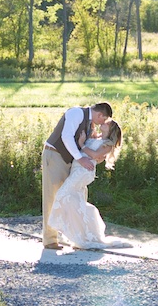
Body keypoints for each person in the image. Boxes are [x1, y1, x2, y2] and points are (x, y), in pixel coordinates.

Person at [41, 101, 112, 249]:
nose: (101, 123)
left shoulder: (90, 123)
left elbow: (85, 146)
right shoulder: (76, 113)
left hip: (72, 162)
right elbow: (66, 136)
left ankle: (76, 236)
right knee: (53, 195)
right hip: (55, 155)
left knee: (75, 196)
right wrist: (80, 158)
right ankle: (50, 239)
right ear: (100, 115)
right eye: (103, 120)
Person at [47, 119, 127, 250]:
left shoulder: (108, 144)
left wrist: (82, 144)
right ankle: (82, 232)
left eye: (107, 123)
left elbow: (95, 154)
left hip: (84, 171)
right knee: (75, 199)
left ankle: (67, 228)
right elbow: (91, 123)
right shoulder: (96, 136)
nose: (104, 123)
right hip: (76, 168)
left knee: (63, 195)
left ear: (111, 129)